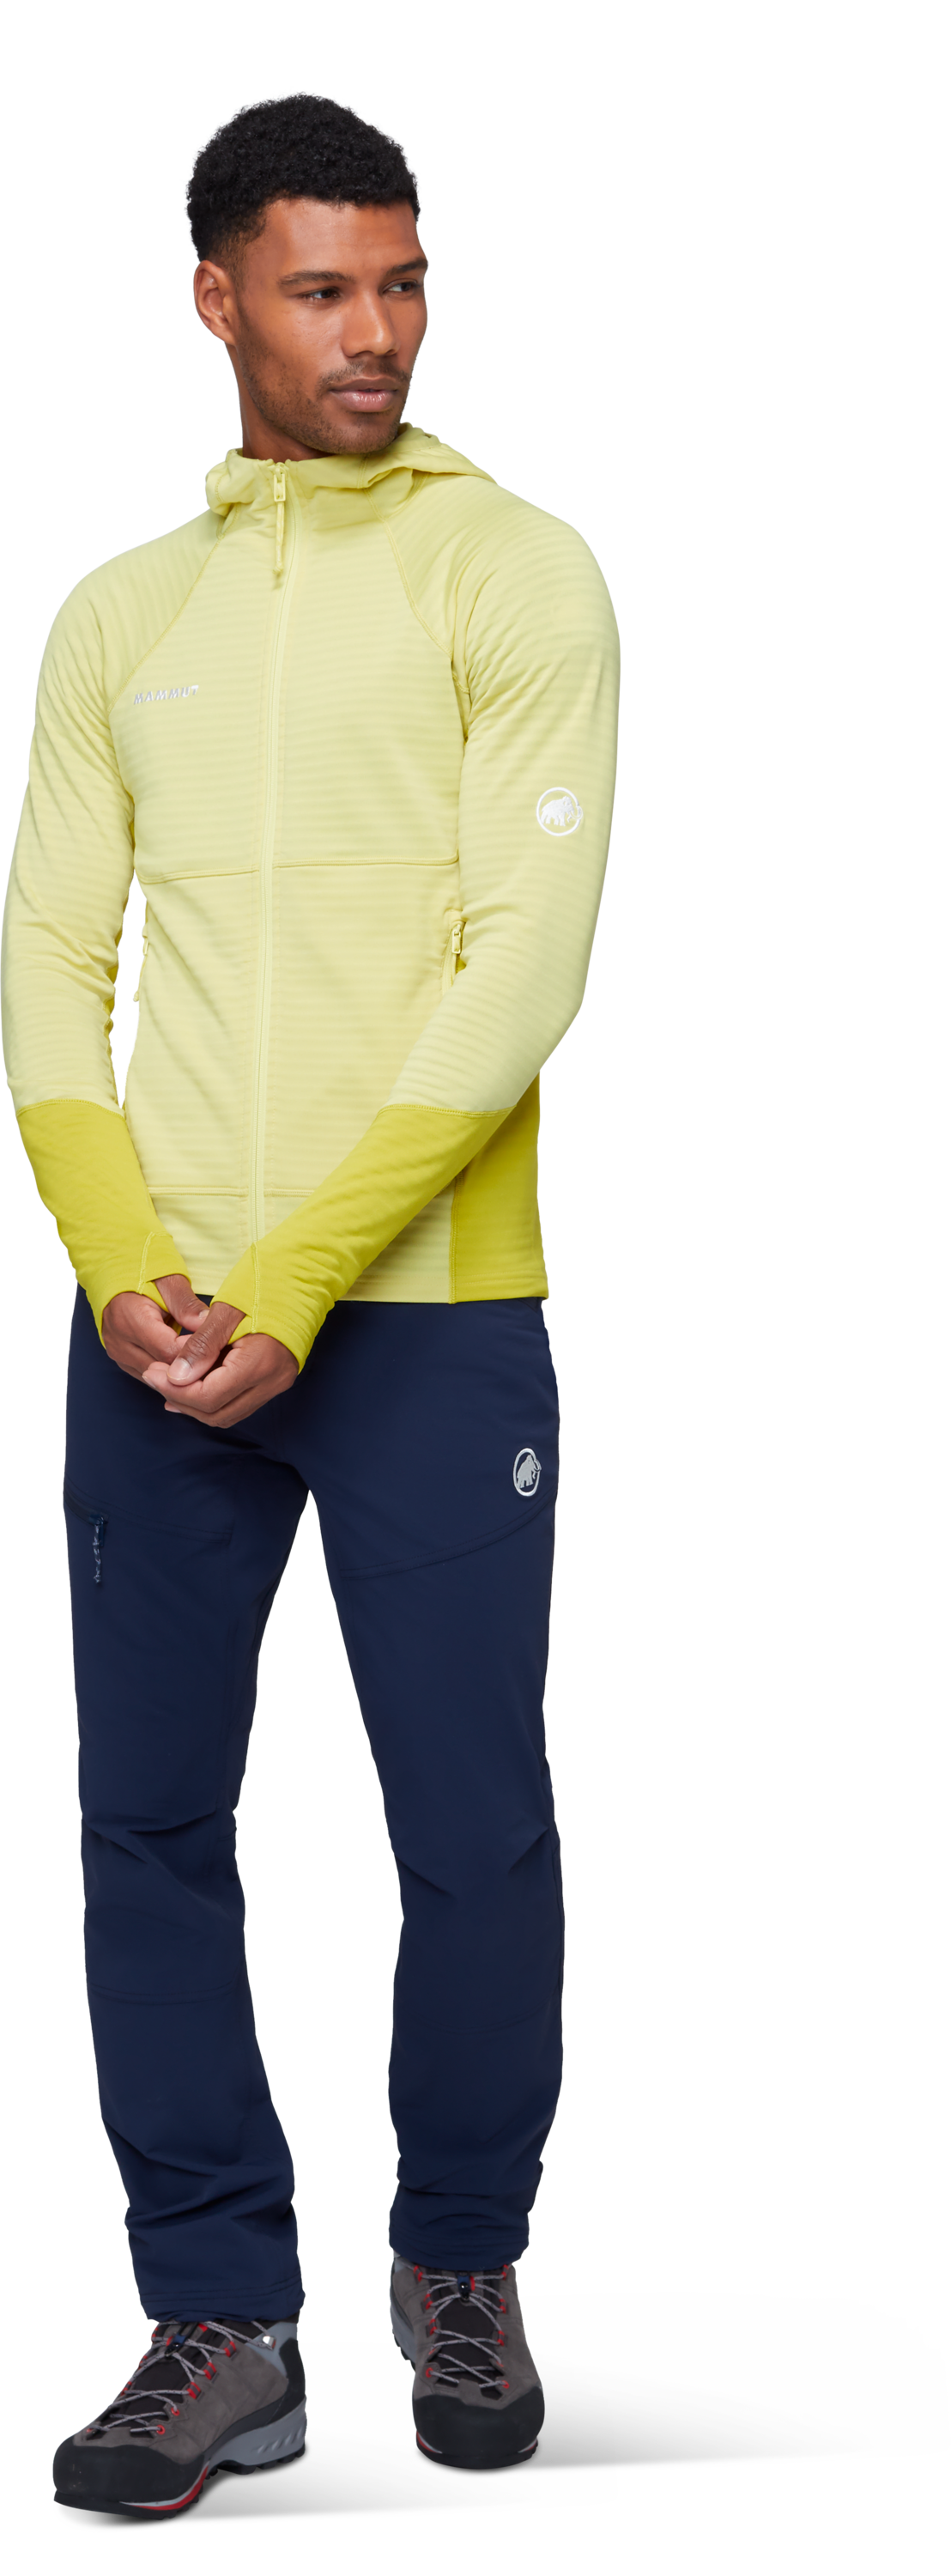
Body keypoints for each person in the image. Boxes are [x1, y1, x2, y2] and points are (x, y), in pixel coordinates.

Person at [2, 88, 621, 2506]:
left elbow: (521, 975)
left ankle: (459, 2263)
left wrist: (298, 1270)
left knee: (471, 1832)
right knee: (149, 1820)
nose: (377, 332)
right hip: (155, 1318)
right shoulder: (118, 617)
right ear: (216, 300)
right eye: (324, 288)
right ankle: (217, 2314)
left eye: (405, 283)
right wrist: (123, 1264)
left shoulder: (518, 573)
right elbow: (50, 963)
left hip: (430, 1305)